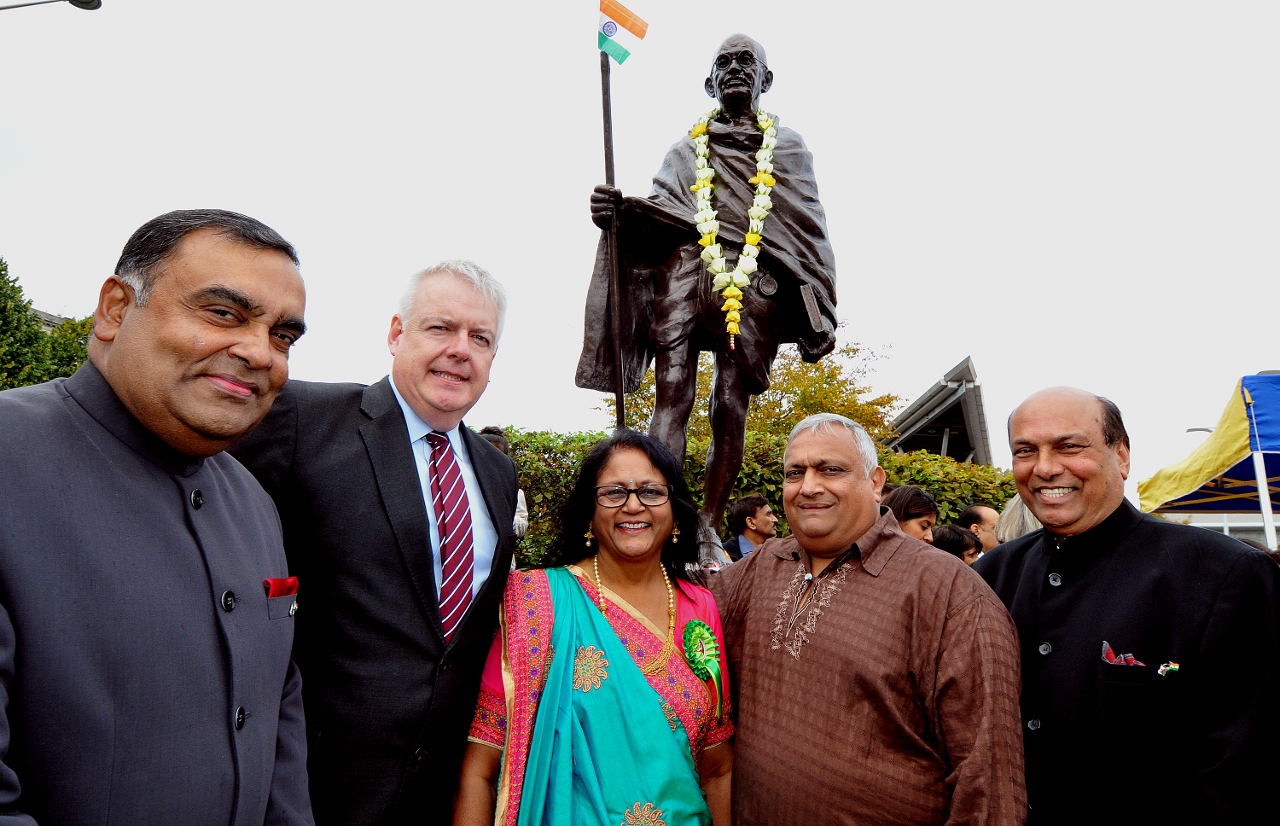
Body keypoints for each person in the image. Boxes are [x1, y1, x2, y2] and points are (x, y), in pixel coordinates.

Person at [0, 209, 312, 824]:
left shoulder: (254, 505)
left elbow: (277, 716)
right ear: (115, 309)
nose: (258, 352)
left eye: (282, 335)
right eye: (224, 313)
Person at [230, 261, 519, 824]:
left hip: (439, 791)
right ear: (395, 334)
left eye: (480, 338)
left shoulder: (497, 473)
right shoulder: (301, 419)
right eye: (440, 328)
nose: (461, 349)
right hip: (306, 784)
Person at [974, 387, 1280, 825]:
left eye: (1069, 446)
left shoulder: (1224, 573)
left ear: (1121, 455)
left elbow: (1246, 763)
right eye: (1026, 451)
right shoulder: (991, 577)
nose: (1044, 468)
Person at [711, 413, 1026, 825]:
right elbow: (669, 619)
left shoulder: (947, 591)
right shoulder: (758, 569)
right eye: (795, 473)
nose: (809, 486)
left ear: (876, 482)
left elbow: (988, 776)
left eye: (830, 469)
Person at [580, 33, 837, 535]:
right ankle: (663, 517)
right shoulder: (685, 150)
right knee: (671, 394)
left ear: (766, 79)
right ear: (709, 81)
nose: (735, 68)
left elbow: (806, 228)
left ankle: (710, 525)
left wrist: (818, 306)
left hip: (750, 281)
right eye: (724, 62)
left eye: (747, 61)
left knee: (729, 401)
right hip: (682, 273)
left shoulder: (786, 147)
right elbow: (662, 208)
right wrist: (616, 213)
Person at [453, 430, 733, 825]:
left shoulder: (699, 604)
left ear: (675, 512)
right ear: (590, 512)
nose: (633, 506)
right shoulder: (539, 602)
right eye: (614, 492)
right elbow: (481, 765)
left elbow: (718, 766)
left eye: (651, 492)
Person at [478, 425, 529, 538]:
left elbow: (522, 525)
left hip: (500, 552)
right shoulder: (463, 484)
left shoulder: (513, 491)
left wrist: (503, 517)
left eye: (496, 456)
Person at [722, 492, 778, 560]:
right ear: (751, 522)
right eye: (768, 514)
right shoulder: (723, 555)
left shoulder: (777, 552)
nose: (775, 520)